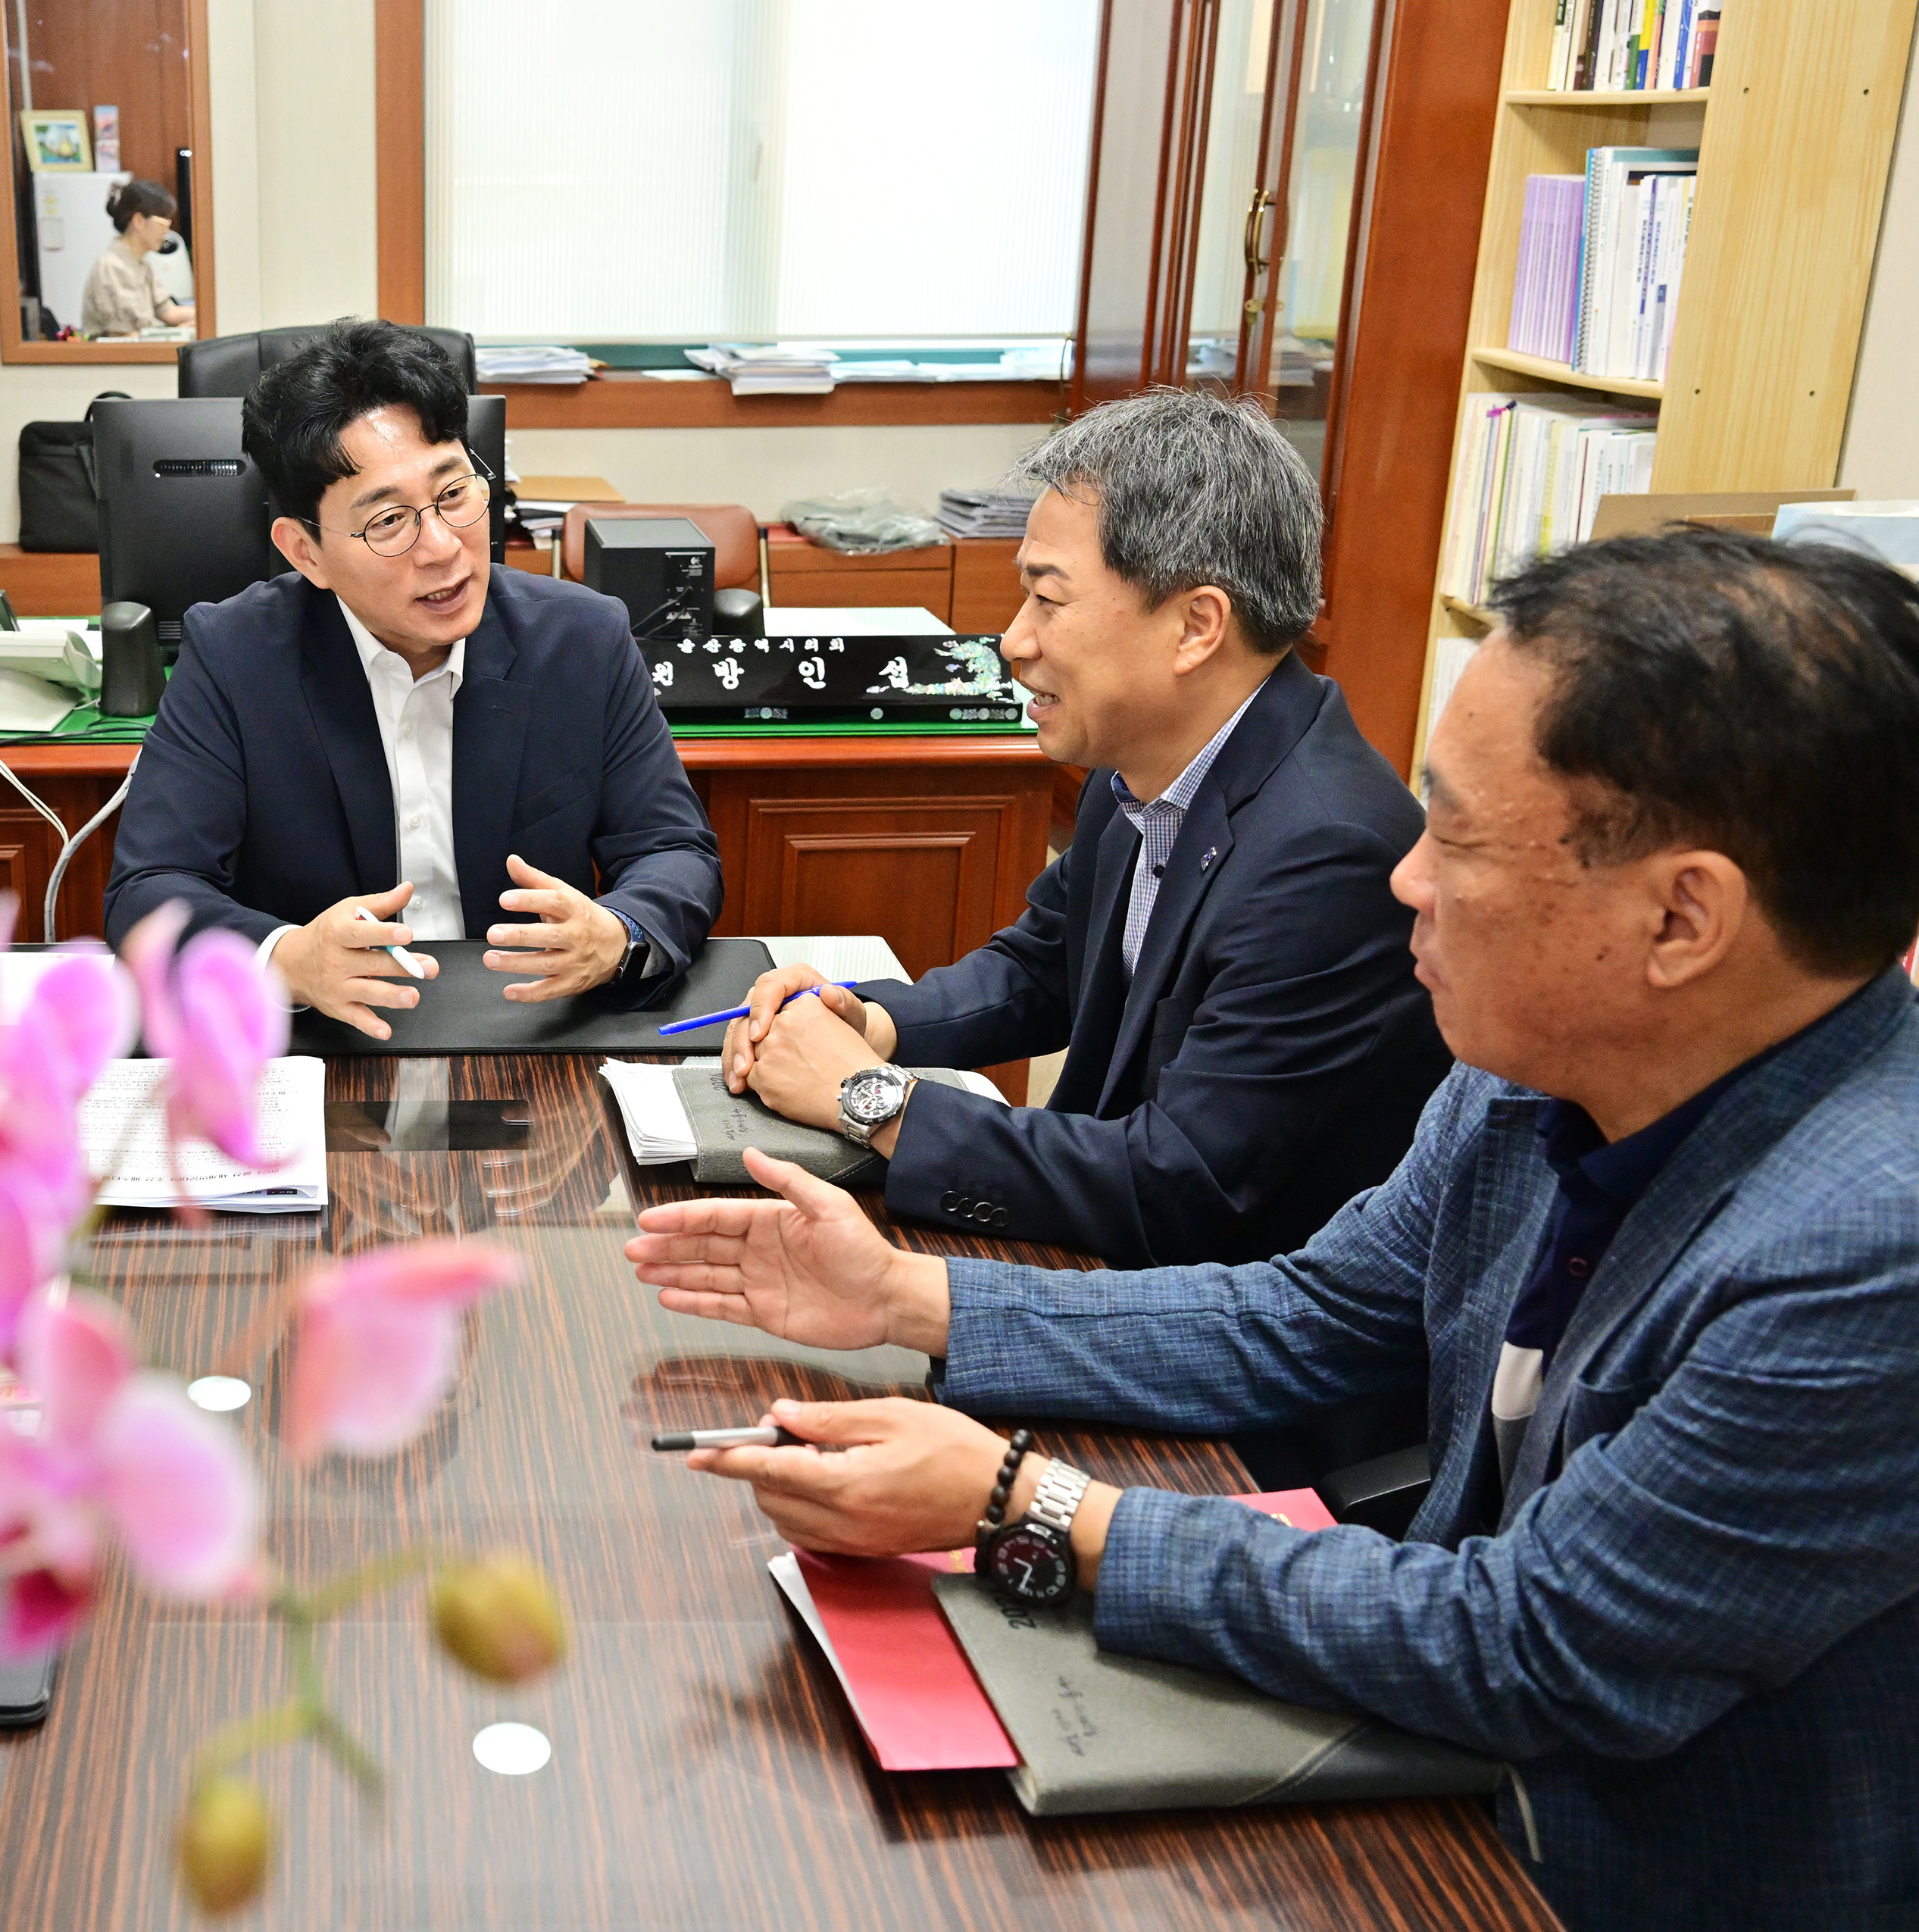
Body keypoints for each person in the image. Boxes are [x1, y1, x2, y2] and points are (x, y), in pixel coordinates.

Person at [627, 528, 1919, 1930]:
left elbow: (1535, 1647)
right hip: (1421, 1759)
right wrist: (903, 1298)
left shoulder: (1864, 1255)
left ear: (1684, 917)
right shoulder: (1533, 1064)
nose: (1406, 878)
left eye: (1461, 838)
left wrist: (1032, 1507)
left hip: (1592, 1869)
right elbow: (1304, 1314)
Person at [717, 389, 1445, 1267]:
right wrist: (870, 1021)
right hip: (1098, 1259)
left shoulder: (1330, 855)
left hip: (1206, 1325)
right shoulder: (1145, 758)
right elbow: (1043, 969)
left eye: (1047, 601)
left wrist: (869, 1099)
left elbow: (1181, 1184)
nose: (1012, 642)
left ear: (1195, 626)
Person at [103, 320, 721, 1033]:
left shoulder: (582, 640)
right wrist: (288, 957)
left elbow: (673, 851)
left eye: (455, 493)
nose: (442, 548)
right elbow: (150, 890)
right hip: (326, 1048)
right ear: (305, 553)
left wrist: (617, 934)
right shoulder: (235, 656)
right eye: (389, 520)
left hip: (532, 1031)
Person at [80, 180, 192, 339]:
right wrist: (179, 331)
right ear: (139, 221)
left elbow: (168, 312)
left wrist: (206, 317)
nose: (167, 230)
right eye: (164, 221)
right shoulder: (112, 267)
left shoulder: (141, 265)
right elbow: (123, 335)